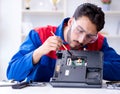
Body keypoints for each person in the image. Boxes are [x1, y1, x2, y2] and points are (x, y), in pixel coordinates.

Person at [7, 3, 120, 82]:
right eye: (79, 30)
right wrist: (38, 52)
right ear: (71, 22)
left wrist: (89, 62)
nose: (81, 40)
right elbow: (12, 74)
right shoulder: (39, 35)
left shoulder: (98, 42)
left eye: (89, 36)